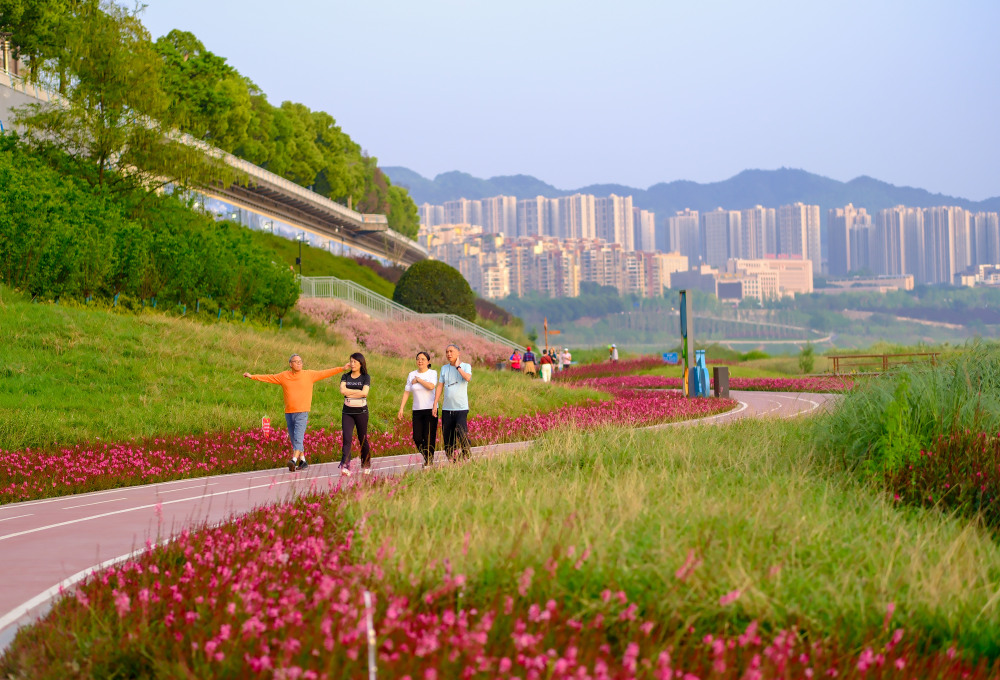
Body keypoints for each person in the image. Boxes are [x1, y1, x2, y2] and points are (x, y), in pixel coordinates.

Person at [244, 355, 348, 472]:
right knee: (294, 439)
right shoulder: (284, 376)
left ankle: (293, 460)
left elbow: (325, 372)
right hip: (289, 412)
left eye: (300, 361)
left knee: (298, 437)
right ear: (290, 364)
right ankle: (303, 461)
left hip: (302, 412)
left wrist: (342, 368)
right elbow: (269, 377)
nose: (299, 363)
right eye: (296, 362)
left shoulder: (309, 375)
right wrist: (252, 376)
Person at [397, 351, 438, 467]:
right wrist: (401, 408)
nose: (420, 361)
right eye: (418, 359)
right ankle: (428, 457)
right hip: (417, 410)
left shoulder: (432, 373)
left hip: (431, 409)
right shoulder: (411, 374)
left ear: (428, 362)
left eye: (423, 359)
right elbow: (406, 392)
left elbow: (431, 386)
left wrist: (418, 380)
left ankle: (429, 461)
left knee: (428, 436)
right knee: (417, 437)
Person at [434, 344, 472, 462]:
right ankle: (451, 459)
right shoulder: (444, 368)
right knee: (448, 436)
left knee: (462, 432)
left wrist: (458, 367)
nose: (449, 354)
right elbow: (440, 386)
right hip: (447, 409)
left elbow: (468, 378)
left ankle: (466, 452)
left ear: (458, 353)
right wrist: (435, 403)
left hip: (461, 408)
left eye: (451, 351)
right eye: (447, 352)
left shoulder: (466, 366)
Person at [339, 352, 372, 476]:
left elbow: (364, 393)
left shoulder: (365, 377)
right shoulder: (345, 376)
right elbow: (342, 391)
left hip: (361, 411)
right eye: (351, 361)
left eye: (355, 362)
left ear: (360, 363)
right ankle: (345, 466)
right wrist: (356, 392)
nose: (352, 364)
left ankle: (366, 464)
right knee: (347, 438)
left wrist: (350, 392)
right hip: (347, 412)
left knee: (362, 438)